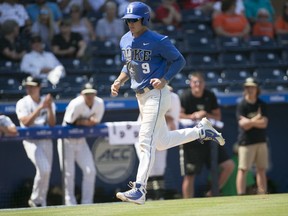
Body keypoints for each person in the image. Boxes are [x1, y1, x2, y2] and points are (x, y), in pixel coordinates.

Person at [111, 1, 225, 205]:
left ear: (144, 19)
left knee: (145, 141)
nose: (130, 23)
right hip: (140, 96)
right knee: (161, 142)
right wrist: (119, 80)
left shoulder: (157, 40)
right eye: (128, 20)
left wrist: (165, 79)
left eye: (134, 20)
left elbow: (179, 60)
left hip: (157, 94)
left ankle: (139, 189)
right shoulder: (125, 40)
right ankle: (201, 131)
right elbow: (129, 65)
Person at [179, 72, 234, 198]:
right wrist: (193, 116)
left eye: (200, 82)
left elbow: (218, 116)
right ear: (191, 84)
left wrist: (205, 114)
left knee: (229, 165)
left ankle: (211, 193)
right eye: (194, 82)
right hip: (191, 141)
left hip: (210, 140)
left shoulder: (210, 95)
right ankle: (187, 205)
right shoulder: (185, 96)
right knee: (189, 175)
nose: (197, 85)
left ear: (204, 84)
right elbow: (179, 115)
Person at [57, 83, 105, 205]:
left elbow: (95, 122)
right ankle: (70, 204)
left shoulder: (99, 103)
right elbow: (69, 124)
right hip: (66, 140)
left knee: (90, 171)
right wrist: (85, 122)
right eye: (87, 94)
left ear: (95, 94)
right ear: (82, 94)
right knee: (69, 174)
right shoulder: (76, 103)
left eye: (91, 93)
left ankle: (87, 203)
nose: (89, 96)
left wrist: (83, 122)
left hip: (81, 140)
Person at [134, 85, 181, 200]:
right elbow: (153, 117)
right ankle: (148, 196)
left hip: (161, 136)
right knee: (147, 167)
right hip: (144, 136)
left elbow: (173, 122)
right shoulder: (149, 98)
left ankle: (159, 195)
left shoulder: (174, 99)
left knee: (160, 168)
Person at [15, 76, 56, 207]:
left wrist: (48, 107)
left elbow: (52, 124)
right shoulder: (22, 102)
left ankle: (41, 202)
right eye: (28, 86)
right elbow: (26, 123)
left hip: (46, 139)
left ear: (39, 87)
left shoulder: (47, 101)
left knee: (47, 172)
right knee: (44, 169)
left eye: (32, 86)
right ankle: (35, 199)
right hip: (31, 140)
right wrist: (40, 108)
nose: (29, 88)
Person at [236, 77, 269, 195]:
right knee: (243, 169)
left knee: (261, 169)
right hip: (246, 142)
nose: (250, 89)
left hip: (261, 141)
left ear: (257, 89)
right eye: (247, 87)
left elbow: (264, 123)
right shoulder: (242, 105)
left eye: (252, 87)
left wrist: (249, 121)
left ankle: (262, 193)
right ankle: (241, 195)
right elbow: (243, 125)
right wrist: (256, 118)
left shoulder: (262, 104)